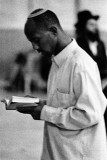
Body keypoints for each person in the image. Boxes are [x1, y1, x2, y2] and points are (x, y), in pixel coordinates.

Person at [16, 8, 107, 160]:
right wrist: (39, 104)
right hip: (58, 152)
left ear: (53, 31)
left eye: (36, 40)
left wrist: (44, 111)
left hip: (77, 155)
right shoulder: (57, 61)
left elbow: (89, 114)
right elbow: (66, 104)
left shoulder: (80, 65)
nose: (34, 47)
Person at [75, 10, 107, 98]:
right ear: (83, 26)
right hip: (85, 84)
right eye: (91, 24)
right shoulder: (78, 44)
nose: (95, 27)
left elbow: (104, 64)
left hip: (101, 83)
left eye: (96, 25)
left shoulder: (100, 44)